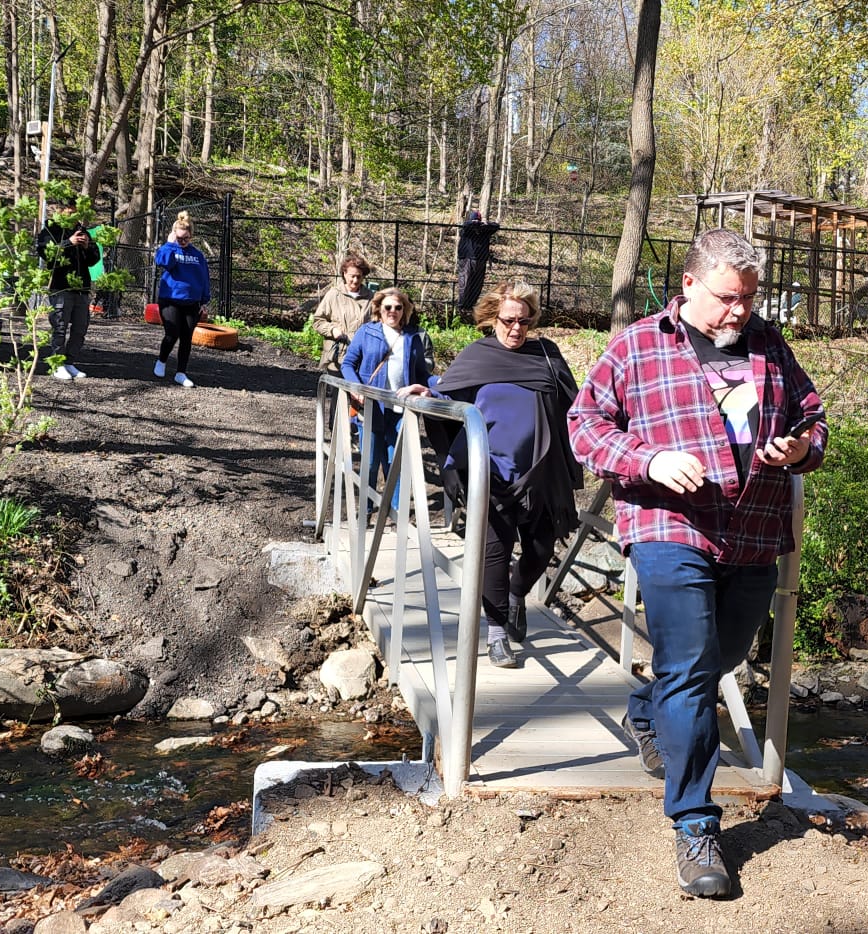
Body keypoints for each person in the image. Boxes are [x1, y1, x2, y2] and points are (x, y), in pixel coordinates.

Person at [567, 228, 827, 898]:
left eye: (749, 298)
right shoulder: (637, 345)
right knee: (689, 667)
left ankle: (646, 709)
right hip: (669, 526)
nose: (739, 311)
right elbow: (584, 427)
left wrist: (801, 449)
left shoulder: (769, 344)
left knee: (723, 655)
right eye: (727, 297)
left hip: (754, 531)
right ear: (688, 284)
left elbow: (813, 417)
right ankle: (694, 825)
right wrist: (649, 459)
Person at [426, 282, 583, 669]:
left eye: (524, 321)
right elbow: (446, 402)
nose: (517, 328)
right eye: (509, 320)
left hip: (542, 474)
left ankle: (516, 595)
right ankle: (497, 636)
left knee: (541, 549)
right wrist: (428, 396)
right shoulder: (478, 356)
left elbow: (576, 405)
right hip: (492, 472)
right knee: (494, 554)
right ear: (492, 318)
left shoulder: (546, 354)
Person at [341, 286, 434, 490]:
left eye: (398, 307)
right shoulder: (367, 332)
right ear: (379, 309)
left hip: (401, 410)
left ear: (404, 310)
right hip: (372, 407)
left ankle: (395, 509)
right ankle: (365, 509)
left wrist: (441, 384)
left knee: (396, 467)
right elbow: (347, 364)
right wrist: (356, 388)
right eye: (388, 307)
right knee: (370, 464)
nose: (393, 311)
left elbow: (422, 374)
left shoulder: (412, 337)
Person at [37, 216, 101, 379]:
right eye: (69, 208)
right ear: (61, 210)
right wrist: (68, 242)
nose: (73, 212)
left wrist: (87, 246)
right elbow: (46, 253)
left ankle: (69, 362)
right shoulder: (51, 230)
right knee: (59, 327)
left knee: (80, 328)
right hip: (61, 287)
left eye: (75, 208)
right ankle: (57, 364)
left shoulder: (83, 231)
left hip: (81, 288)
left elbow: (94, 259)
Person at [153, 211, 211, 387]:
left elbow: (204, 278)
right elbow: (162, 262)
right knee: (172, 333)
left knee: (186, 337)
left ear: (191, 236)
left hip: (191, 302)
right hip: (170, 299)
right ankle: (161, 360)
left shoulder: (198, 255)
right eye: (179, 238)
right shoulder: (170, 249)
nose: (183, 241)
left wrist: (204, 301)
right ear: (174, 235)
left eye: (186, 238)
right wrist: (170, 244)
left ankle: (181, 373)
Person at [311, 255, 375, 373]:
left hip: (362, 358)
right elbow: (318, 321)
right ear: (344, 274)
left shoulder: (371, 297)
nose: (355, 280)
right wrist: (332, 330)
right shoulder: (334, 294)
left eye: (359, 276)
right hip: (337, 357)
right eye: (352, 276)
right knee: (335, 384)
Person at [454, 210, 500, 315]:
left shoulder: (484, 230)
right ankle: (461, 306)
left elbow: (496, 226)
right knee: (465, 282)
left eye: (477, 220)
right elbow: (466, 225)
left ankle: (470, 305)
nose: (476, 222)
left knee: (477, 284)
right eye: (475, 220)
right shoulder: (467, 229)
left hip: (480, 259)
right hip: (467, 258)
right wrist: (475, 223)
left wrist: (485, 224)